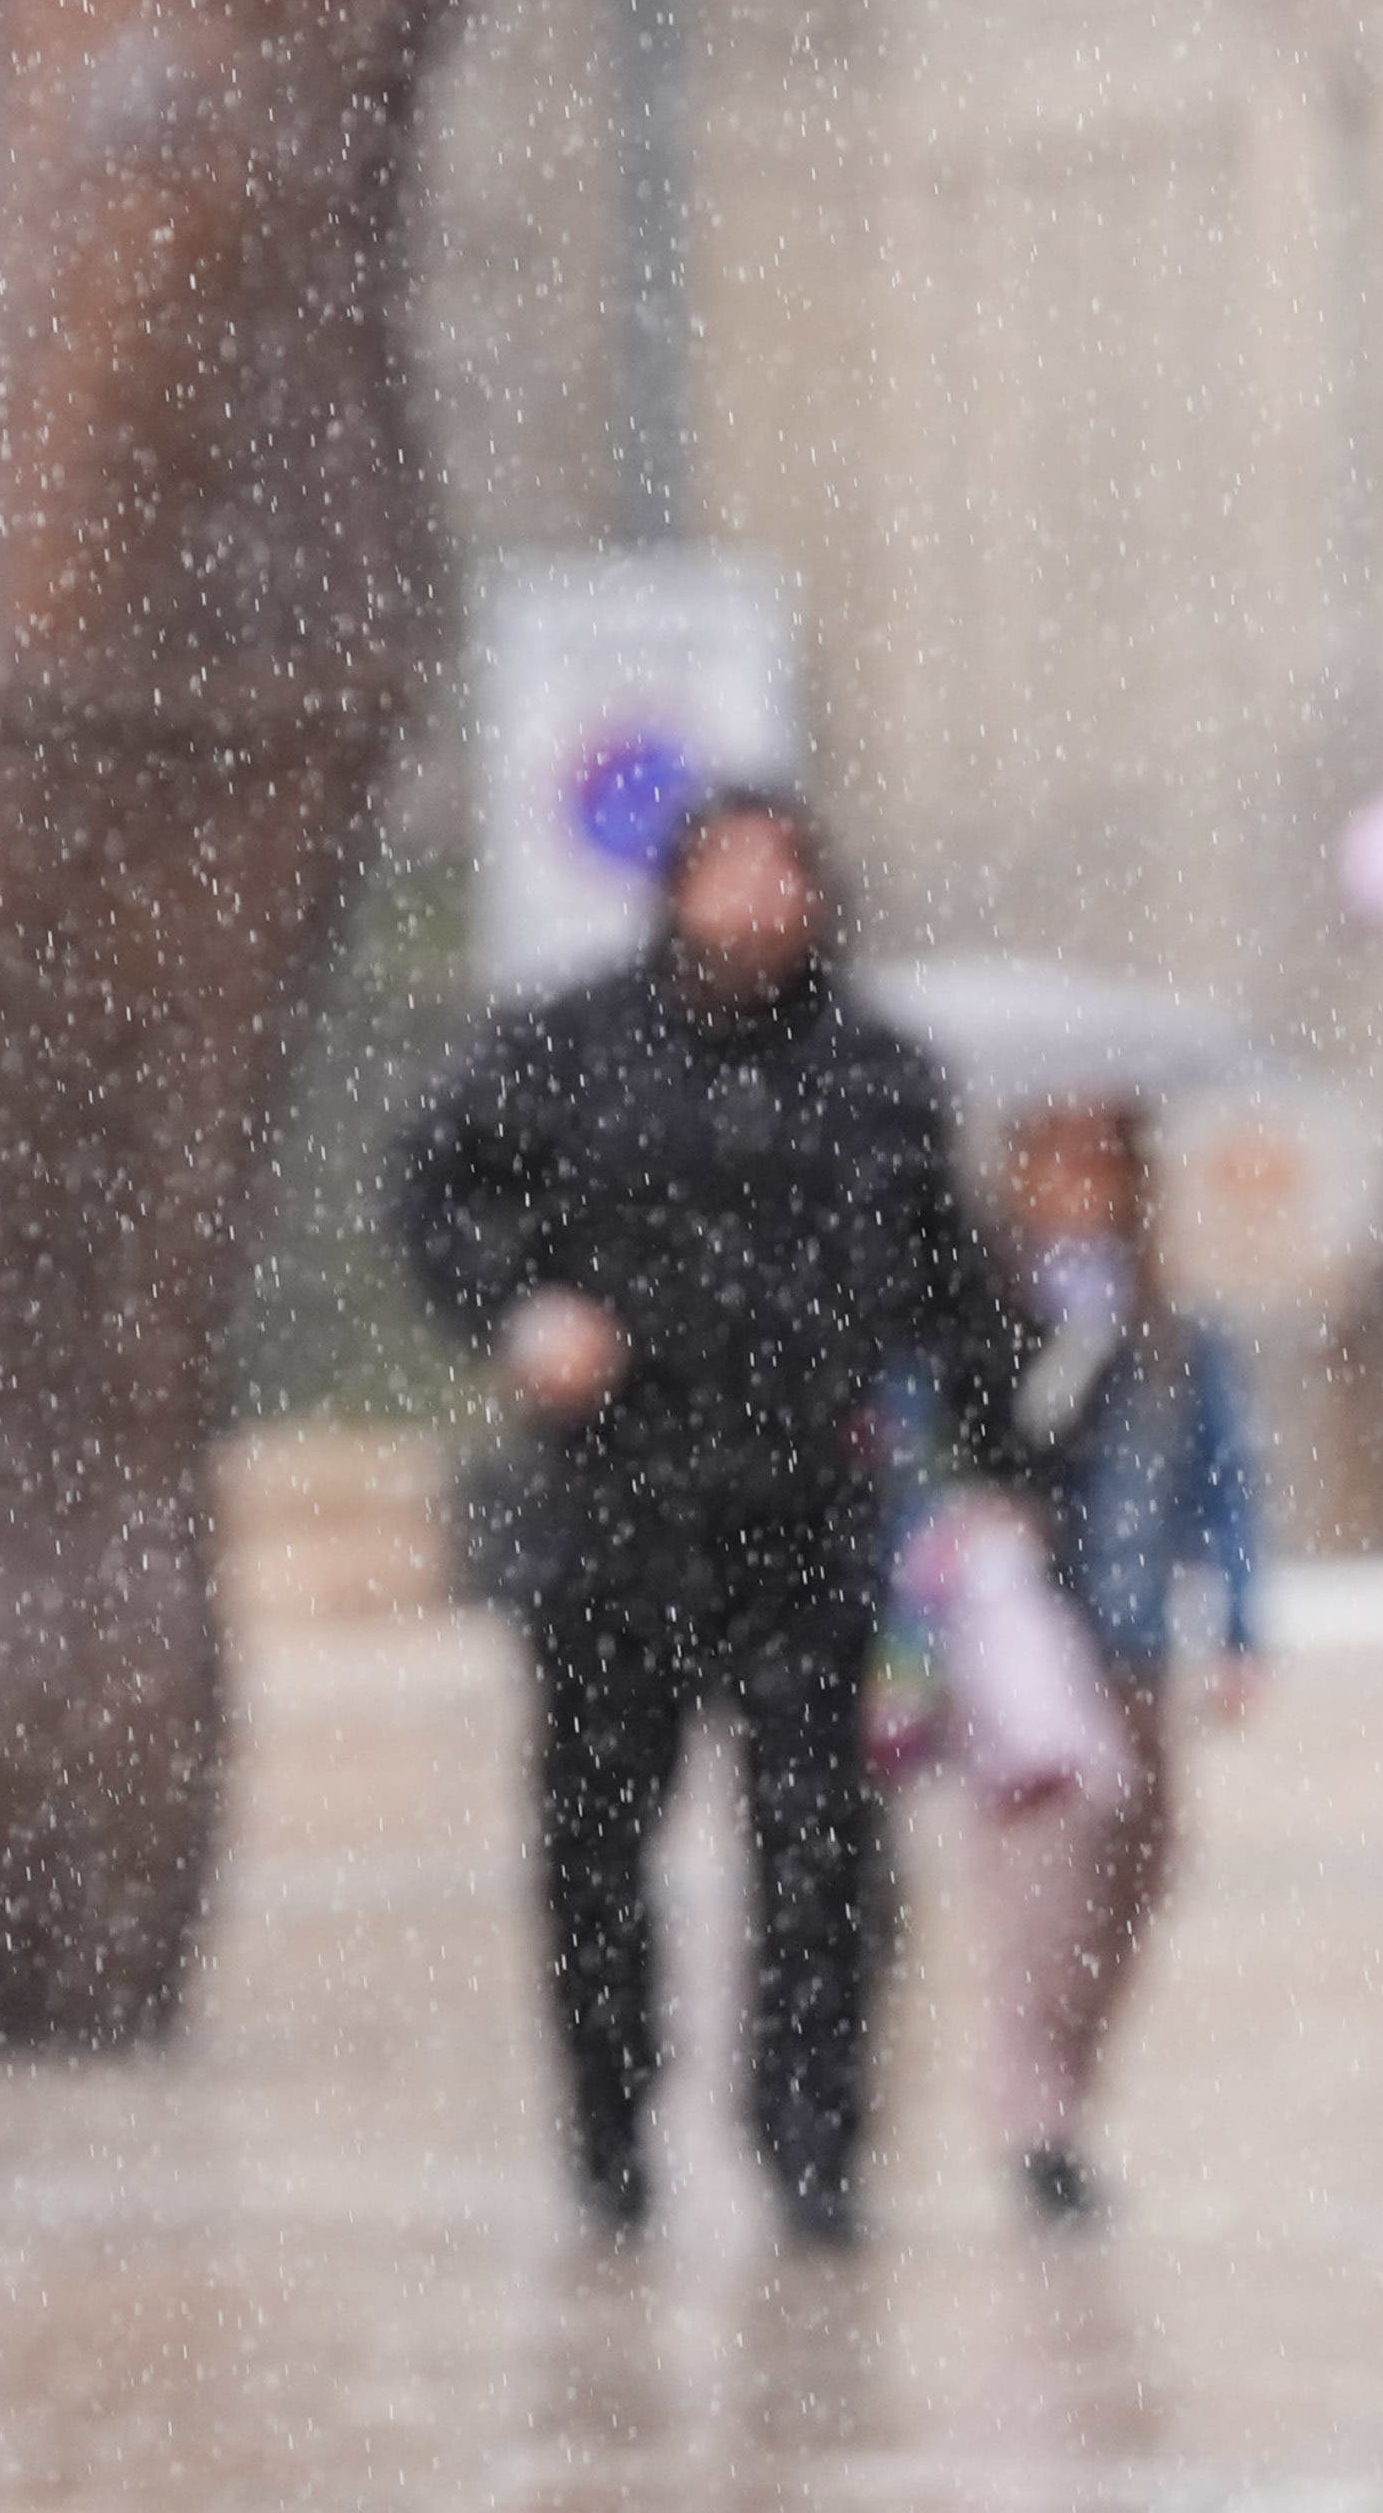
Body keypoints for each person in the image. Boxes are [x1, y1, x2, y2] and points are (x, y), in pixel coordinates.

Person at [389, 789, 1022, 2247]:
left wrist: (999, 1477)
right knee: (595, 1844)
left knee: (822, 1854)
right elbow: (430, 1190)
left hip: (806, 1523)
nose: (755, 898)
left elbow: (955, 1290)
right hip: (614, 1516)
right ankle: (610, 2135)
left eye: (783, 869)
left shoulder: (877, 1076)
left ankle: (811, 2141)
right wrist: (516, 1315)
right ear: (674, 890)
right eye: (727, 870)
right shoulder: (566, 1052)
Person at [974, 1097, 1266, 2230]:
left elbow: (1226, 1483)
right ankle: (1032, 2112)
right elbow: (927, 1455)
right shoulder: (983, 1316)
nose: (1078, 1180)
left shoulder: (1170, 1333)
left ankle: (1067, 2091)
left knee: (1136, 1874)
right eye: (1055, 1153)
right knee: (1041, 1893)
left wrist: (1239, 1624)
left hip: (1134, 1639)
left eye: (1100, 1157)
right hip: (1022, 1653)